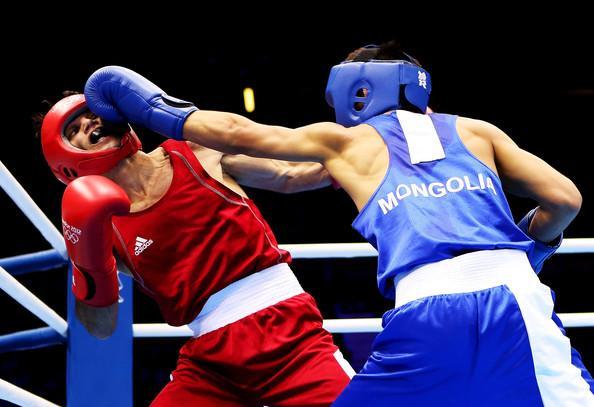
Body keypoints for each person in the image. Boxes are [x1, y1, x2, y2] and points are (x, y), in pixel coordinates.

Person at [79, 39, 594, 406]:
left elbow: (237, 132)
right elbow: (564, 199)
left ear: (358, 89)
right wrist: (526, 250)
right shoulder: (478, 130)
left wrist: (151, 106)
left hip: (421, 309)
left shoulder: (348, 143)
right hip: (516, 295)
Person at [36, 91, 355, 406]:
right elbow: (101, 326)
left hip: (288, 333)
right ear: (64, 158)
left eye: (92, 113)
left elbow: (292, 173)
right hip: (212, 365)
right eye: (73, 129)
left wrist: (363, 149)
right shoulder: (100, 227)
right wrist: (88, 264)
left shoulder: (195, 150)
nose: (89, 122)